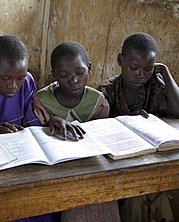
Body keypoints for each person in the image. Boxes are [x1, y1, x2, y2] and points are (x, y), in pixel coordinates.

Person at [0, 35, 59, 222]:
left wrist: (51, 121)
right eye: (5, 78)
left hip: (22, 163)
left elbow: (31, 128)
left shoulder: (27, 82)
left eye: (20, 78)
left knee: (48, 205)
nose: (13, 86)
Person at [98, 32, 179, 222]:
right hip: (120, 167)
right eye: (134, 68)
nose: (141, 75)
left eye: (149, 69)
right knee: (136, 198)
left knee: (157, 195)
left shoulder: (155, 85)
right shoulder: (107, 90)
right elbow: (99, 129)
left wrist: (165, 72)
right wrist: (131, 121)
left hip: (151, 164)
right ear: (120, 60)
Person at [35, 41, 120, 222]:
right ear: (54, 75)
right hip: (55, 167)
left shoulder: (97, 101)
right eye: (64, 75)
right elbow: (35, 134)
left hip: (91, 167)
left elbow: (101, 137)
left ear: (89, 68)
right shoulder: (42, 100)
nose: (73, 80)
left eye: (79, 73)